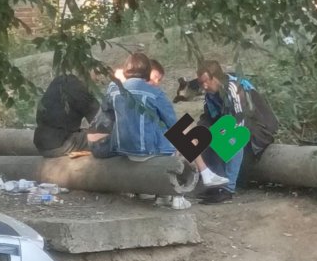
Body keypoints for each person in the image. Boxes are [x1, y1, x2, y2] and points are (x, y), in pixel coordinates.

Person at [106, 53, 228, 209]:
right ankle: (184, 190)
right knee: (183, 131)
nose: (156, 83)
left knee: (179, 132)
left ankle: (196, 179)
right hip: (145, 150)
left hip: (121, 148)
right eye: (155, 77)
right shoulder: (153, 93)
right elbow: (173, 124)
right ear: (146, 71)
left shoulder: (113, 89)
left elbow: (108, 116)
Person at [196, 60, 279, 204]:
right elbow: (208, 118)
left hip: (258, 128)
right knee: (205, 139)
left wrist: (221, 135)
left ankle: (227, 189)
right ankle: (216, 184)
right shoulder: (210, 94)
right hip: (232, 125)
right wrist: (200, 134)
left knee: (233, 138)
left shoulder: (234, 88)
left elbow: (240, 121)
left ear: (216, 78)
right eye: (201, 83)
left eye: (206, 82)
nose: (204, 86)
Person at [33, 74, 100, 158]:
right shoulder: (78, 89)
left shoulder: (57, 83)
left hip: (41, 145)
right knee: (106, 139)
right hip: (62, 144)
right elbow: (100, 122)